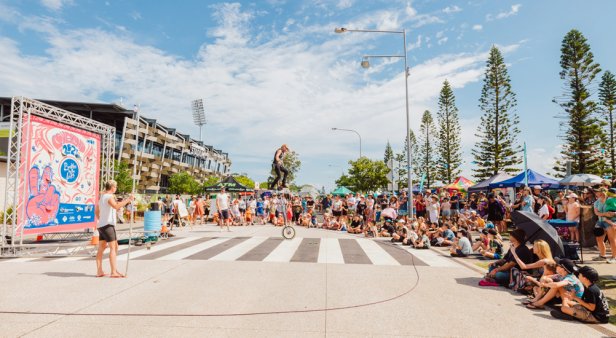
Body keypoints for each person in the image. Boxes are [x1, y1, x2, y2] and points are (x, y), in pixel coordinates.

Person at [95, 180, 134, 278]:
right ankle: (113, 272)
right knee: (114, 247)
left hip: (102, 225)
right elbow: (116, 206)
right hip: (108, 225)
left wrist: (101, 219)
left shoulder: (102, 197)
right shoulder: (109, 196)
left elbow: (96, 211)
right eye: (115, 187)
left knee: (101, 248)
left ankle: (100, 271)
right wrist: (128, 200)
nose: (116, 189)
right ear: (112, 187)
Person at [592, 187, 616, 263]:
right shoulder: (596, 202)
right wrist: (605, 214)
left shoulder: (611, 200)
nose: (595, 192)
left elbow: (613, 212)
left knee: (612, 239)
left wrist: (612, 214)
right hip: (600, 222)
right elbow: (596, 213)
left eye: (597, 191)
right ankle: (602, 256)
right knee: (599, 240)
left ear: (602, 192)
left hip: (610, 221)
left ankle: (614, 257)